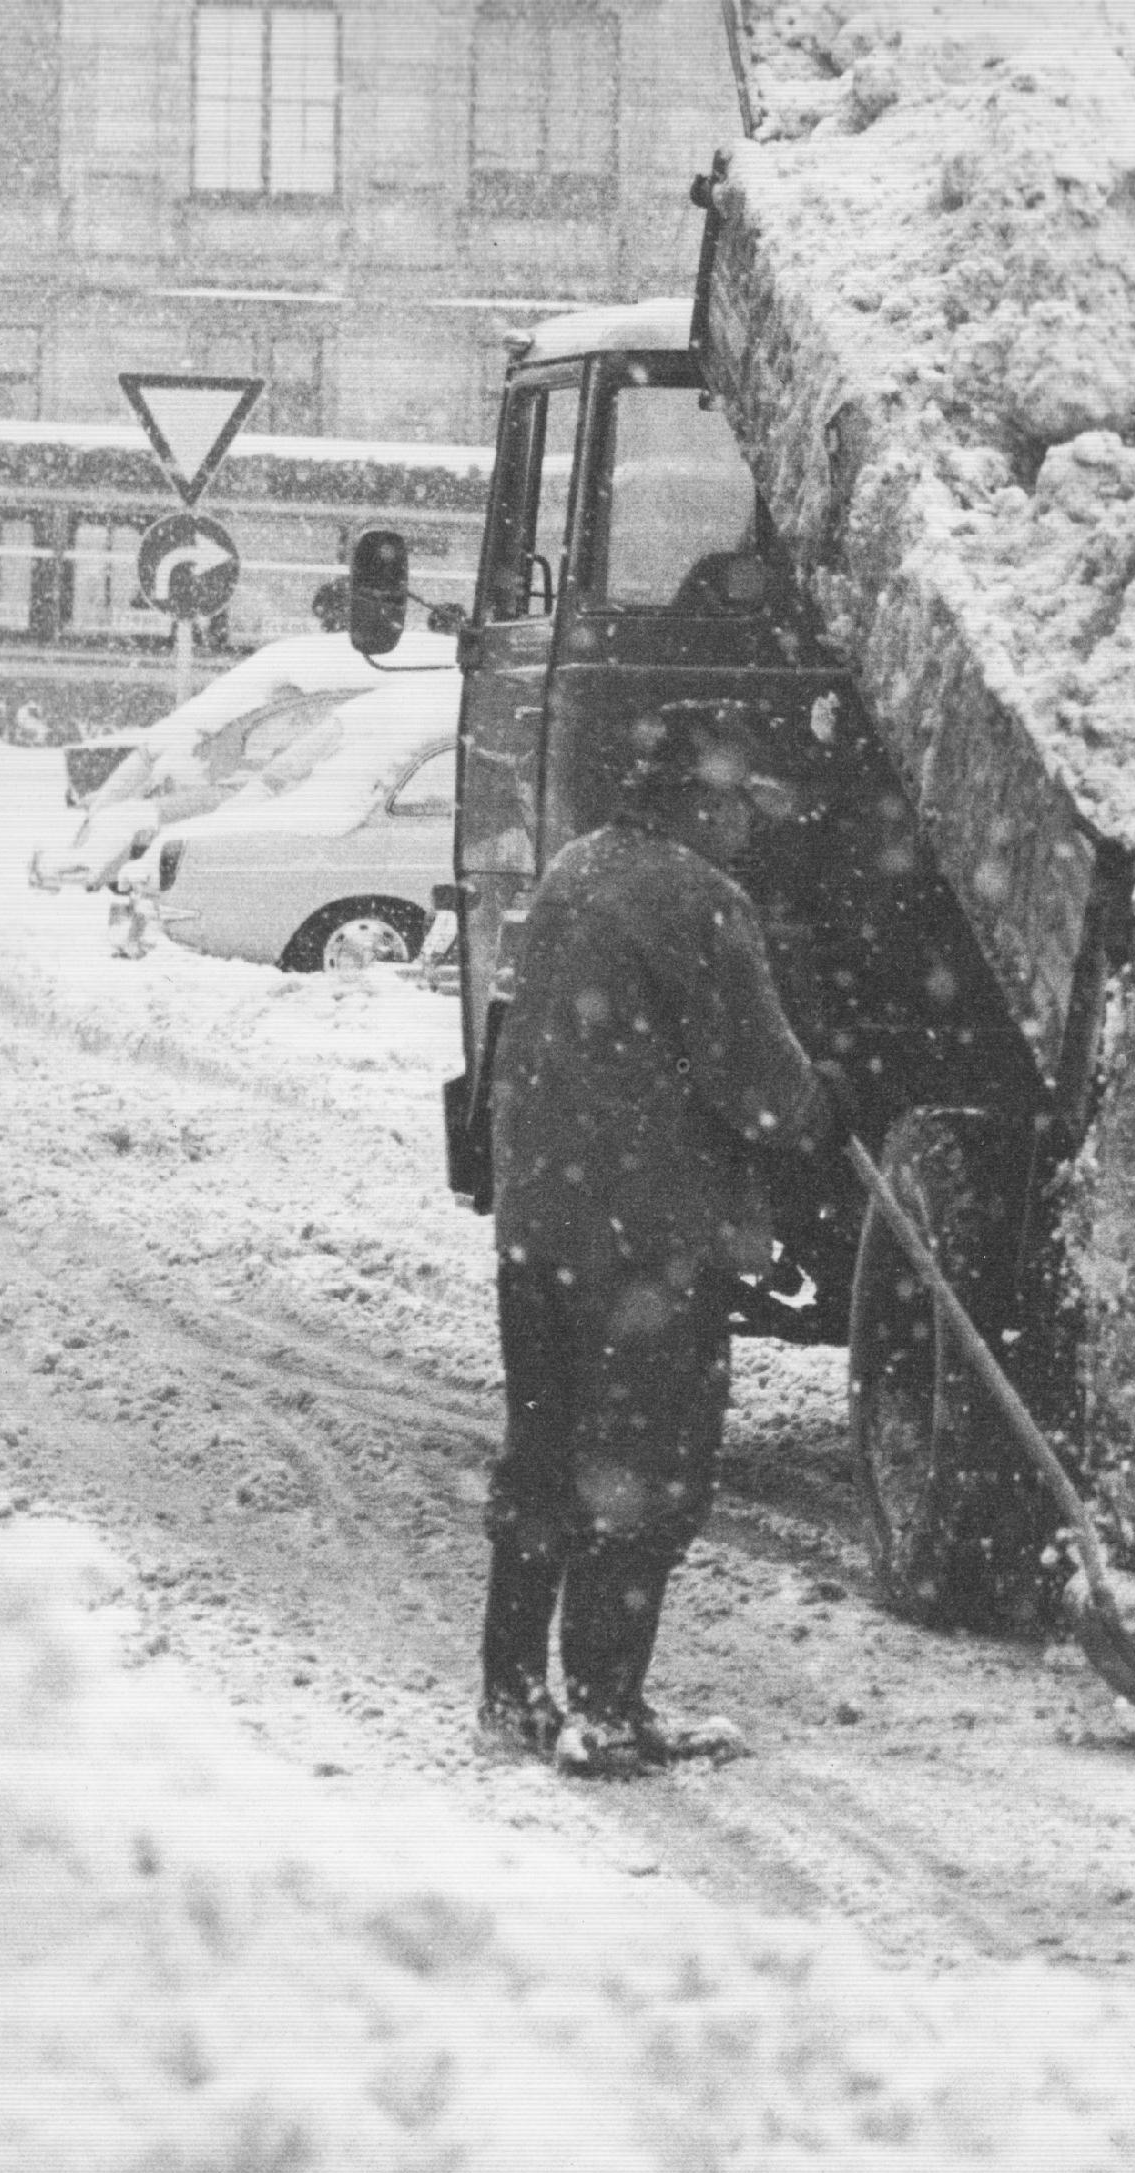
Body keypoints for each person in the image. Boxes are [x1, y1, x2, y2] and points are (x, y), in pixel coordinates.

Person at [476, 704, 841, 1777]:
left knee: (543, 1458)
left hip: (540, 1226)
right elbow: (766, 1096)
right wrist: (829, 1100)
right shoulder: (704, 903)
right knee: (646, 1474)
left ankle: (513, 1690)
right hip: (645, 1247)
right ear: (698, 797)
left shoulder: (574, 870)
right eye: (743, 800)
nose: (753, 824)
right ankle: (605, 1705)